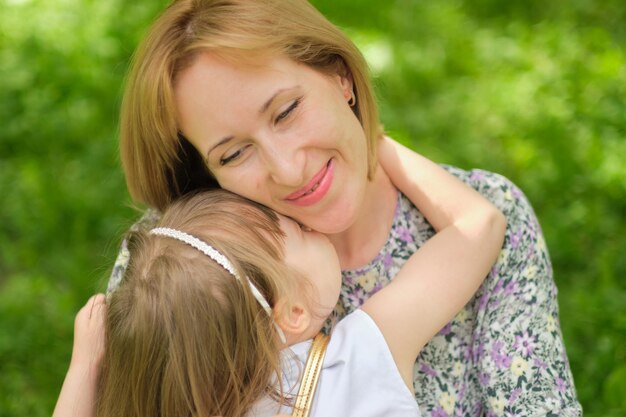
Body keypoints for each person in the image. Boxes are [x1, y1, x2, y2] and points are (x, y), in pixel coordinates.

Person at [108, 0, 581, 415]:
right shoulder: (183, 261)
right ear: (208, 173)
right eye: (233, 153)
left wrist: (367, 141)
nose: (289, 169)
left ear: (341, 76)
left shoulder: (489, 209)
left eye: (287, 111)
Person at [54, 142, 506, 416]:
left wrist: (86, 370)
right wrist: (373, 144)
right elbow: (479, 226)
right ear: (291, 311)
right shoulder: (358, 359)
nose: (311, 222)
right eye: (300, 230)